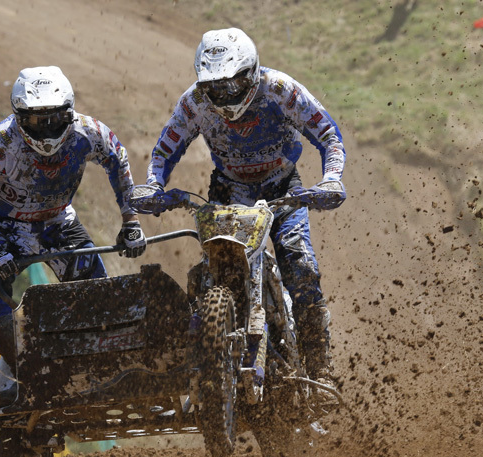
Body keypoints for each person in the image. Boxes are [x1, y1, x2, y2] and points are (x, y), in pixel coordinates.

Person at [145, 28, 346, 397]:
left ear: (251, 72)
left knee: (301, 268)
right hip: (228, 190)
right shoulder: (194, 103)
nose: (224, 95)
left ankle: (321, 370)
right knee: (211, 274)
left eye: (233, 83)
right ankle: (208, 354)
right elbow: (163, 151)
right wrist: (153, 186)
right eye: (214, 87)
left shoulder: (280, 90)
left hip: (282, 187)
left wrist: (331, 179)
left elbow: (328, 134)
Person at [0, 66, 146, 406]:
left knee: (99, 297)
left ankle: (107, 375)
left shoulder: (89, 131)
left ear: (69, 111)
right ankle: (28, 372)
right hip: (7, 227)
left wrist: (131, 221)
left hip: (60, 224)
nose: (48, 130)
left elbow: (119, 160)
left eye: (55, 119)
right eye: (37, 121)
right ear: (19, 117)